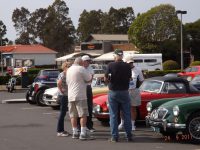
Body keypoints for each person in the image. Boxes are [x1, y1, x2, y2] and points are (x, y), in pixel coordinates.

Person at [105, 49, 133, 142]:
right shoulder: (127, 66)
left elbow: (106, 78)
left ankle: (114, 136)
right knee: (127, 114)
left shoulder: (110, 65)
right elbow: (130, 78)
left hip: (113, 91)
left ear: (115, 55)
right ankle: (129, 135)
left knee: (113, 115)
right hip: (125, 91)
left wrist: (109, 81)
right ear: (122, 56)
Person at [66, 57, 94, 140]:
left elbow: (68, 82)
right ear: (81, 63)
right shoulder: (81, 68)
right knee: (83, 114)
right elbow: (89, 79)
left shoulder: (69, 69)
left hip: (70, 95)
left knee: (73, 115)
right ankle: (83, 133)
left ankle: (75, 132)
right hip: (80, 95)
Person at [118, 56, 144, 131]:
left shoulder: (138, 69)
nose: (130, 64)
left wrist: (136, 87)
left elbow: (142, 80)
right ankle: (122, 123)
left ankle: (132, 124)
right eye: (128, 63)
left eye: (131, 62)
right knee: (122, 108)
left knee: (133, 108)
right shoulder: (122, 69)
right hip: (124, 90)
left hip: (134, 91)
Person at [57, 62, 71, 137]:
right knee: (62, 113)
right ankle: (60, 131)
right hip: (63, 96)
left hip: (65, 95)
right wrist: (62, 91)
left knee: (63, 113)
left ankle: (61, 129)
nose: (70, 67)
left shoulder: (66, 74)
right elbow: (58, 83)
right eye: (69, 66)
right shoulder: (63, 74)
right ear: (65, 67)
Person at [81, 55, 95, 132]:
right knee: (82, 108)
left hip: (88, 88)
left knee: (89, 107)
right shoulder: (80, 68)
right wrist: (87, 80)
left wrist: (87, 80)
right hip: (82, 88)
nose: (89, 62)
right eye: (87, 61)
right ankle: (82, 126)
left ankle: (89, 126)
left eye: (89, 61)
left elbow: (90, 79)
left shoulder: (90, 68)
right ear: (83, 61)